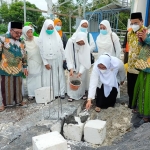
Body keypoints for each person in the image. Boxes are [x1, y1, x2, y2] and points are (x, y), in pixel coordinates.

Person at [0, 22, 28, 112]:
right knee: (6, 86)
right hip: (5, 68)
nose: (19, 35)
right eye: (16, 33)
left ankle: (19, 101)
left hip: (18, 68)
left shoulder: (22, 41)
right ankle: (4, 103)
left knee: (18, 86)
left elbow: (24, 55)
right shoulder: (3, 38)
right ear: (11, 30)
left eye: (20, 33)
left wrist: (25, 67)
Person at [38, 19, 66, 99]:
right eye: (48, 28)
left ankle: (61, 92)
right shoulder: (41, 38)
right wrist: (45, 62)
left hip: (58, 59)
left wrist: (64, 58)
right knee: (49, 76)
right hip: (48, 60)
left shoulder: (57, 37)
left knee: (59, 75)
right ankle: (51, 93)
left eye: (51, 28)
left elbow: (61, 48)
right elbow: (41, 51)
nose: (50, 30)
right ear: (45, 28)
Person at [127, 12, 146, 109]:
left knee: (140, 88)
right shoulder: (129, 33)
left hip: (141, 66)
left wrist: (143, 40)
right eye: (132, 23)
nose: (134, 25)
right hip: (131, 66)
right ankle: (131, 104)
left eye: (136, 23)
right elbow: (129, 48)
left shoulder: (146, 32)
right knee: (130, 87)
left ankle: (139, 106)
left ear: (141, 22)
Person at [65, 32, 91, 101]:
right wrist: (71, 68)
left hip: (81, 65)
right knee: (71, 78)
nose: (80, 45)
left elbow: (85, 61)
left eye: (82, 43)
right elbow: (68, 56)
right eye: (79, 43)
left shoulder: (86, 46)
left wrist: (81, 71)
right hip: (72, 64)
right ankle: (71, 95)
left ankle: (81, 94)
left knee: (80, 79)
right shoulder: (71, 42)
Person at [132, 29, 150, 127]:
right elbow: (144, 46)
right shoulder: (148, 28)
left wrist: (146, 39)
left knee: (148, 89)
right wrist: (141, 40)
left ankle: (146, 116)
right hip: (145, 65)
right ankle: (143, 112)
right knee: (143, 89)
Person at [22, 26, 43, 100]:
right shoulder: (23, 42)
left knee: (38, 78)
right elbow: (23, 54)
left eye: (31, 32)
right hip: (29, 62)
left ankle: (38, 93)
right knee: (30, 78)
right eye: (28, 32)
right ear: (24, 33)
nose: (30, 34)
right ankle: (31, 94)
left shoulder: (37, 40)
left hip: (38, 61)